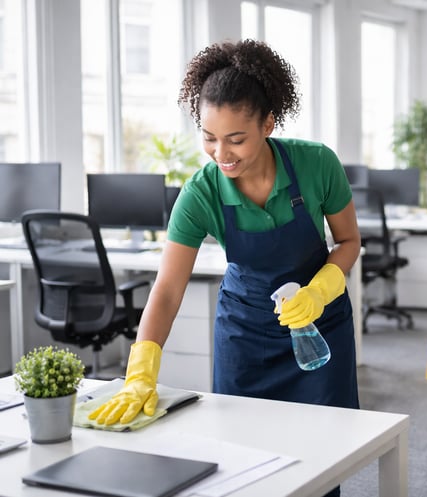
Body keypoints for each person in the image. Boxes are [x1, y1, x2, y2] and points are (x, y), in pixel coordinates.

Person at [88, 39, 361, 484]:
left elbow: (349, 240)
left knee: (322, 457)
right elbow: (168, 289)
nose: (222, 154)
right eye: (209, 138)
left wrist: (320, 291)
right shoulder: (200, 193)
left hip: (318, 327)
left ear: (268, 123)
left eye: (237, 139)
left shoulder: (316, 165)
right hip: (245, 334)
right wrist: (140, 372)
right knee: (245, 459)